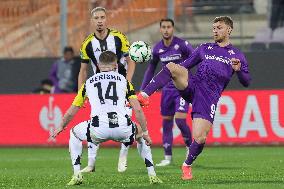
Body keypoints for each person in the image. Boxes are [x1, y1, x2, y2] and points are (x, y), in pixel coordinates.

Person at [138, 16, 251, 180]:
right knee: (171, 66)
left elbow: (246, 82)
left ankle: (187, 165)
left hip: (208, 97)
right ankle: (144, 95)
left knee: (200, 138)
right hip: (194, 85)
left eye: (219, 27)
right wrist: (175, 76)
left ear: (229, 30)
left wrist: (239, 70)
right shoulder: (204, 48)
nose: (215, 31)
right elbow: (183, 66)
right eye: (213, 28)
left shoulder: (237, 55)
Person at [53, 51, 162, 185]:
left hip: (98, 129)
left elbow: (71, 112)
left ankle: (77, 174)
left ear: (98, 65)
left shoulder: (88, 83)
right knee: (140, 135)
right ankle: (152, 175)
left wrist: (61, 126)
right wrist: (145, 133)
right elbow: (138, 109)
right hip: (123, 128)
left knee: (74, 133)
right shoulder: (124, 81)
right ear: (116, 65)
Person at [78, 6, 136, 173]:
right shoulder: (87, 43)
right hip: (100, 89)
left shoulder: (119, 38)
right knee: (94, 120)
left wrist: (127, 82)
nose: (100, 21)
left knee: (126, 118)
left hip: (120, 86)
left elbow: (130, 61)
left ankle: (123, 157)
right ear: (92, 21)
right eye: (96, 18)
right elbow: (82, 70)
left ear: (107, 19)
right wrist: (81, 94)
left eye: (102, 17)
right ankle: (91, 163)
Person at [140, 18, 193, 166]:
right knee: (167, 121)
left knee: (181, 120)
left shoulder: (182, 45)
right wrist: (144, 90)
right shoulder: (157, 49)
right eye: (163, 27)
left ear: (173, 29)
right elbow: (151, 70)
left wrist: (193, 80)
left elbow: (196, 58)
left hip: (182, 89)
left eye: (168, 27)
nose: (166, 30)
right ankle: (167, 157)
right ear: (160, 29)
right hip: (167, 91)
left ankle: (190, 149)